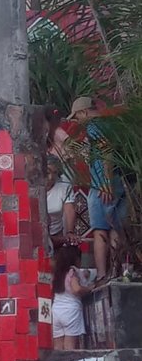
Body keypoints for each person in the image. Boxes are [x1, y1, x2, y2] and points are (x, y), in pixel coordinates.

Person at [69, 95, 126, 281]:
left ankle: (102, 274)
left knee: (100, 230)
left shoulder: (94, 126)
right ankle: (117, 271)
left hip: (103, 184)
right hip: (115, 182)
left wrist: (105, 182)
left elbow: (107, 151)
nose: (77, 121)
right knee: (115, 228)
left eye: (77, 116)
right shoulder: (110, 125)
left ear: (84, 112)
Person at [51, 245, 92, 351]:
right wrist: (89, 288)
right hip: (71, 312)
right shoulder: (73, 272)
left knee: (58, 348)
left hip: (56, 312)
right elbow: (76, 289)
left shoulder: (58, 273)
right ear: (75, 259)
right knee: (70, 348)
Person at [45, 156, 77, 248]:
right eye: (47, 173)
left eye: (55, 173)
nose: (51, 177)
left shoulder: (64, 188)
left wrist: (70, 232)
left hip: (56, 234)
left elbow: (69, 210)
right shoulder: (30, 189)